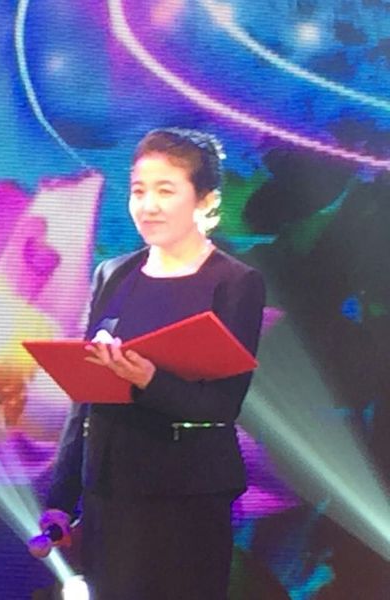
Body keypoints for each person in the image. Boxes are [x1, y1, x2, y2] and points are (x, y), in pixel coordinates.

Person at [40, 129, 266, 599]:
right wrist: (61, 498)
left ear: (206, 200)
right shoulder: (113, 274)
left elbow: (222, 405)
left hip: (187, 499)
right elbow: (87, 395)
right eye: (139, 191)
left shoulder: (234, 283)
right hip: (110, 496)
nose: (148, 206)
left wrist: (147, 379)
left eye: (166, 191)